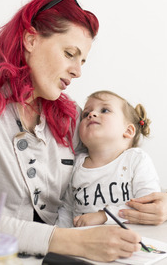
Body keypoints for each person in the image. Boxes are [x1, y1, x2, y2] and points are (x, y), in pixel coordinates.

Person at [0, 0, 167, 262]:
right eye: (69, 54)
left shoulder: (72, 116)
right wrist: (72, 242)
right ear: (31, 40)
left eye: (82, 60)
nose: (78, 71)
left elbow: (113, 168)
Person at [64, 90, 161, 227]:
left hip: (131, 239)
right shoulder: (76, 164)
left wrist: (104, 216)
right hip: (84, 243)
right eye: (86, 114)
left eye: (104, 110)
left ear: (128, 131)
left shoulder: (135, 160)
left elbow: (148, 206)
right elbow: (67, 209)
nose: (92, 114)